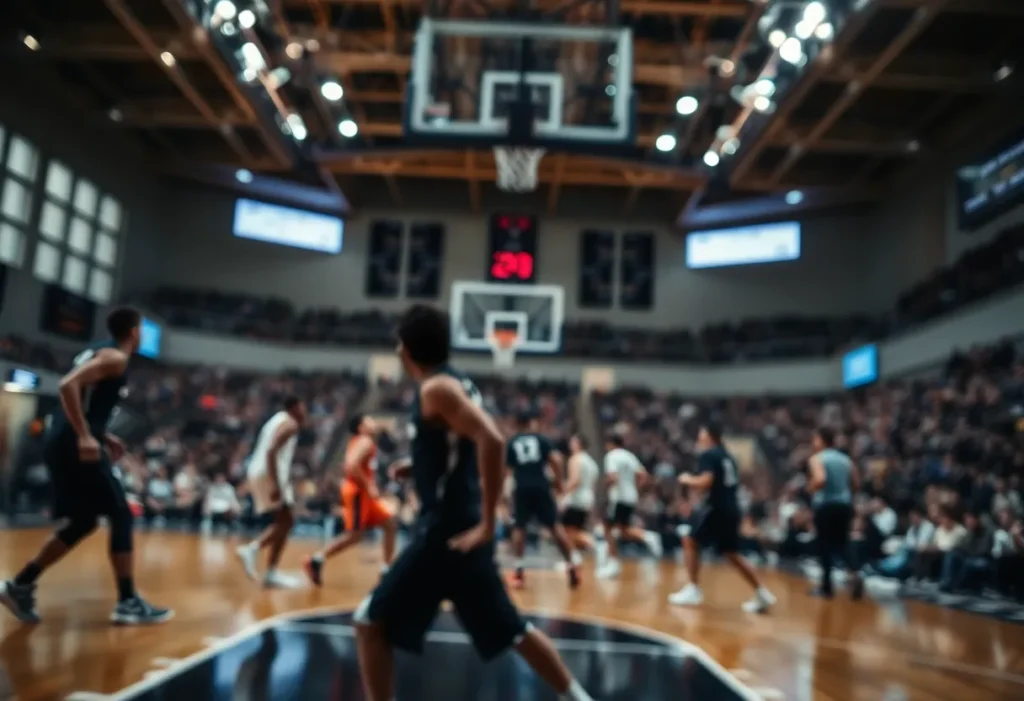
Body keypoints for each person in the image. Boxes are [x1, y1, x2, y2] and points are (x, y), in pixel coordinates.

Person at [353, 304, 596, 701]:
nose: (397, 348)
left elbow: (492, 439)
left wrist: (487, 523)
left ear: (408, 349)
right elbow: (460, 446)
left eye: (400, 341)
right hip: (460, 531)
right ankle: (579, 698)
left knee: (369, 622)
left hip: (444, 533)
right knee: (514, 630)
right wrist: (419, 467)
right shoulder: (455, 383)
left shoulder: (436, 388)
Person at [0, 307, 172, 625]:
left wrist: (102, 435)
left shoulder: (98, 350)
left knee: (83, 521)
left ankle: (21, 584)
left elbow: (82, 398)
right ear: (134, 332)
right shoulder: (115, 358)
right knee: (120, 512)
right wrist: (84, 436)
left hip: (62, 440)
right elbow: (68, 385)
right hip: (72, 443)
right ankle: (128, 601)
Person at [669, 423, 775, 613]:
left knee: (689, 539)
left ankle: (693, 588)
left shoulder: (709, 454)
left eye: (701, 433)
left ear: (710, 436)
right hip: (732, 508)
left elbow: (706, 481)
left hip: (716, 508)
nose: (699, 437)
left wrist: (686, 479)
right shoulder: (728, 457)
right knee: (731, 553)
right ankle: (762, 593)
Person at [305, 414, 397, 586]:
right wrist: (369, 485)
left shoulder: (364, 441)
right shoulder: (365, 441)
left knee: (389, 523)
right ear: (361, 427)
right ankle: (316, 560)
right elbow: (351, 465)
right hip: (358, 493)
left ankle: (386, 570)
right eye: (369, 420)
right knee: (355, 535)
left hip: (363, 494)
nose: (373, 422)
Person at [236, 396, 306, 588]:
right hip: (269, 474)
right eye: (303, 407)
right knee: (287, 520)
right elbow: (271, 451)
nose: (305, 412)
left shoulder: (275, 419)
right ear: (295, 407)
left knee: (284, 521)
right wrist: (276, 484)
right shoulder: (291, 424)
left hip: (259, 471)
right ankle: (254, 550)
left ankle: (270, 571)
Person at [506, 413, 579, 590]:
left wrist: (505, 495)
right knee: (555, 526)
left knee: (519, 527)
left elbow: (506, 470)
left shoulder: (512, 442)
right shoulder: (541, 439)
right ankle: (571, 565)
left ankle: (518, 570)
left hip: (521, 487)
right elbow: (556, 459)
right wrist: (560, 482)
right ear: (531, 422)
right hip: (541, 485)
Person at [806, 427, 863, 599]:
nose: (813, 443)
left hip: (825, 506)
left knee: (824, 545)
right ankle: (855, 573)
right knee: (843, 542)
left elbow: (820, 479)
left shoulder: (817, 459)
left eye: (815, 439)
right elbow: (856, 483)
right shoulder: (846, 460)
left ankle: (826, 587)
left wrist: (810, 488)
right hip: (844, 505)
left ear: (822, 440)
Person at [596, 434, 662, 580]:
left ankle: (613, 564)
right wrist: (635, 488)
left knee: (608, 528)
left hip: (618, 497)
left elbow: (613, 477)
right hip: (631, 496)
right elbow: (643, 475)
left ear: (610, 444)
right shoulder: (630, 456)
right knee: (622, 529)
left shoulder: (611, 456)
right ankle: (648, 537)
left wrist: (604, 486)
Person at [560, 434, 600, 561]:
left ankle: (596, 542)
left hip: (576, 498)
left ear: (578, 444)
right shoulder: (592, 462)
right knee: (572, 530)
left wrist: (562, 493)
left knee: (567, 531)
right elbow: (593, 485)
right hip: (587, 498)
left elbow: (574, 481)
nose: (570, 444)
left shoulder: (575, 459)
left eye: (572, 442)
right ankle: (574, 558)